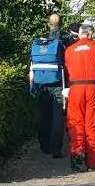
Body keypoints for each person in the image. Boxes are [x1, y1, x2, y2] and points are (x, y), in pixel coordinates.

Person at [64, 25, 95, 172]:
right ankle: (93, 162)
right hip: (93, 88)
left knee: (76, 122)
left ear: (80, 34)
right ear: (90, 34)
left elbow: (67, 70)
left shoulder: (69, 50)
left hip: (75, 88)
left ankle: (77, 154)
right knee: (93, 124)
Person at [37, 13, 65, 159]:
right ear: (61, 24)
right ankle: (56, 149)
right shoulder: (64, 41)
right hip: (58, 82)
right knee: (58, 116)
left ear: (48, 24)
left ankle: (44, 145)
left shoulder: (41, 42)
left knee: (44, 114)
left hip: (42, 82)